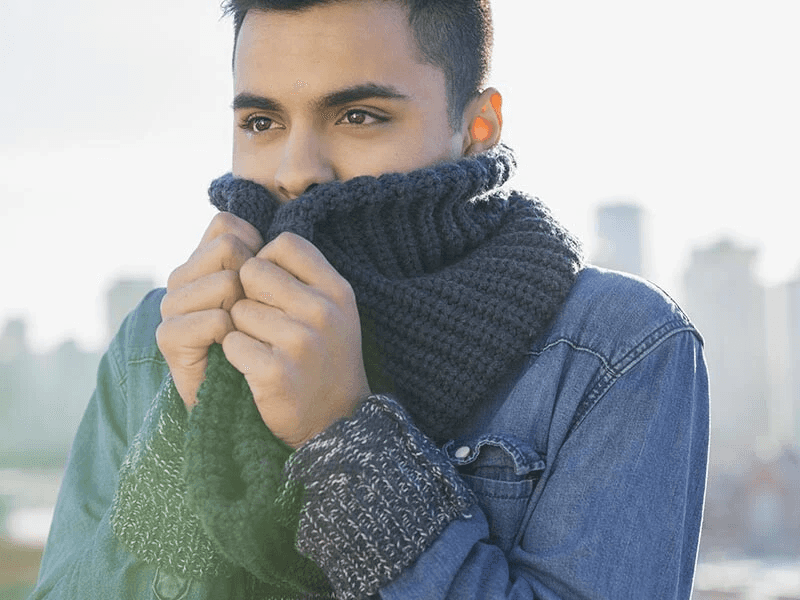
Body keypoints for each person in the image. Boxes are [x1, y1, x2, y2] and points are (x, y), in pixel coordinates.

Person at [30, 0, 709, 598]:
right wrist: (190, 422)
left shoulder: (617, 350)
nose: (298, 171)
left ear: (477, 125)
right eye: (262, 122)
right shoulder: (161, 339)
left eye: (358, 115)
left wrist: (345, 437)